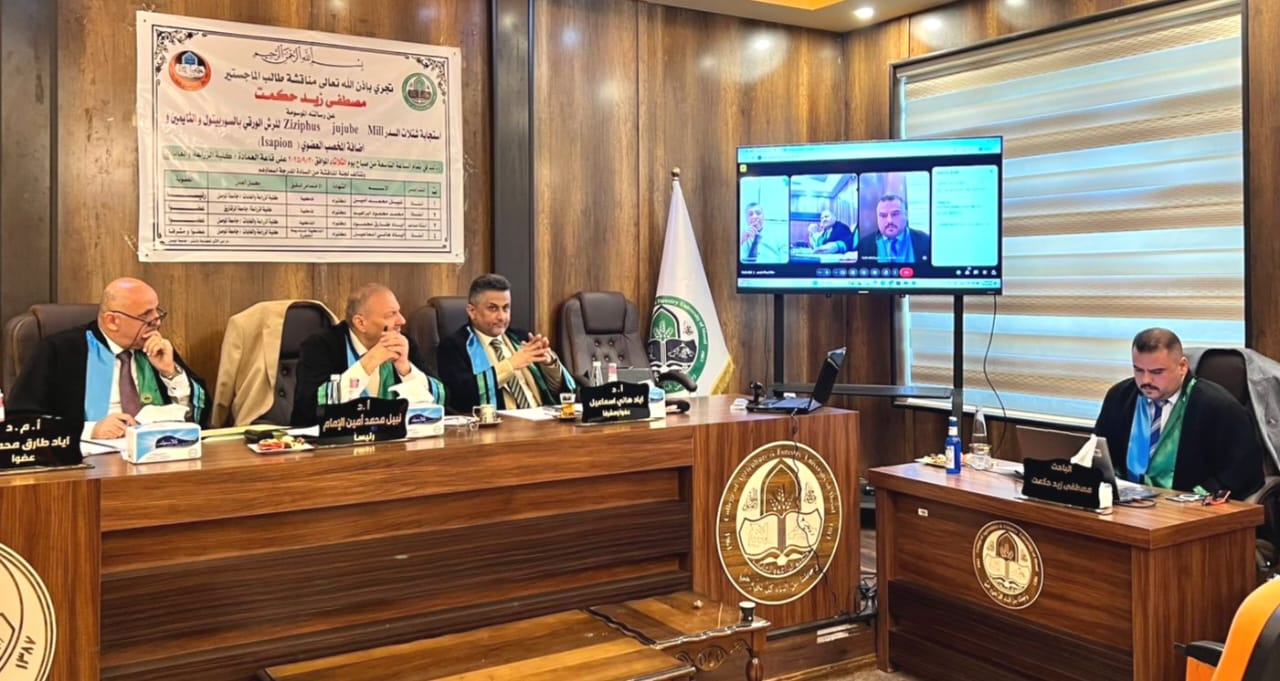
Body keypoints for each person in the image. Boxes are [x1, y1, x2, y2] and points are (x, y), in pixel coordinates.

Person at [9, 277, 208, 437]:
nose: (156, 322)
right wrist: (90, 430)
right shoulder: (58, 351)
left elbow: (196, 416)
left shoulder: (154, 348)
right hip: (85, 463)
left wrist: (170, 373)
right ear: (112, 321)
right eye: (146, 316)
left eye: (157, 312)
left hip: (157, 457)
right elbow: (22, 422)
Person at [1093, 328, 1263, 497]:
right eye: (1139, 370)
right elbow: (1100, 455)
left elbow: (1242, 473)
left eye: (1157, 372)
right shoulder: (1119, 397)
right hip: (1126, 503)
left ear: (1182, 366)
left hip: (1189, 505)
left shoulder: (1220, 407)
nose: (1146, 380)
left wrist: (1195, 497)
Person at [290, 284, 445, 427]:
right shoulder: (320, 345)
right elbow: (309, 407)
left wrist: (406, 369)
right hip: (335, 444)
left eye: (399, 312)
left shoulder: (403, 343)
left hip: (394, 440)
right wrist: (369, 361)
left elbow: (440, 399)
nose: (402, 320)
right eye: (391, 314)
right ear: (360, 323)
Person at [437, 273, 575, 413]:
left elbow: (560, 391)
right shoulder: (453, 347)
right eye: (493, 308)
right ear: (472, 311)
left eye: (506, 308)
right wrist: (511, 364)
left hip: (542, 419)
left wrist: (548, 364)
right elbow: (460, 396)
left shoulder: (520, 338)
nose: (502, 317)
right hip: (499, 424)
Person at [857, 194, 931, 264]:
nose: (889, 220)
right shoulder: (863, 245)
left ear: (906, 215)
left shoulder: (925, 241)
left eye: (895, 214)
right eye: (883, 215)